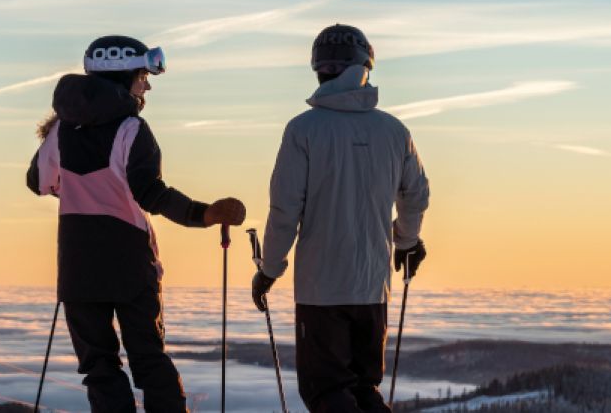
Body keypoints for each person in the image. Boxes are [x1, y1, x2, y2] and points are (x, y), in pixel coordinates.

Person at [27, 35, 246, 412]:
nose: (146, 84)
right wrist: (205, 214)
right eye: (143, 75)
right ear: (124, 74)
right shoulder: (131, 129)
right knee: (148, 358)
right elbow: (151, 193)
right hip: (129, 262)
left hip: (78, 264)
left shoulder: (60, 131)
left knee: (99, 366)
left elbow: (39, 183)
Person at [251, 24, 430, 413]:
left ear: (318, 69)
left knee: (326, 392)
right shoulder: (394, 131)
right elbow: (416, 195)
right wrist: (406, 241)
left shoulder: (303, 130)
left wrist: (269, 268)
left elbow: (285, 210)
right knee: (365, 389)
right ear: (366, 67)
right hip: (372, 286)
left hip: (320, 289)